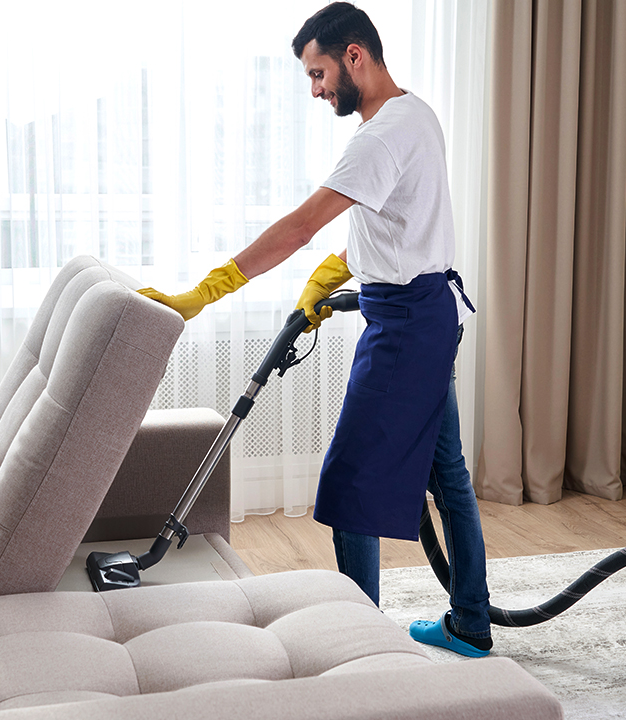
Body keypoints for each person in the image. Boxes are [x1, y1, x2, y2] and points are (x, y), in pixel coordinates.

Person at [139, 2, 491, 657]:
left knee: (350, 485)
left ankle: (360, 648)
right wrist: (330, 277)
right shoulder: (414, 114)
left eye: (318, 72)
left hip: (405, 327)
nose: (316, 89)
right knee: (448, 475)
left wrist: (205, 292)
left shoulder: (378, 138)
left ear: (354, 55)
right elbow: (397, 227)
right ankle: (470, 621)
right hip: (427, 313)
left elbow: (301, 227)